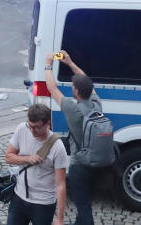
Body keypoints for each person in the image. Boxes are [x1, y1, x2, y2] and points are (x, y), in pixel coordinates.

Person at [43, 51, 103, 225]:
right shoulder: (97, 104)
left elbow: (52, 87)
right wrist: (70, 63)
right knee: (85, 203)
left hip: (80, 166)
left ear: (76, 92)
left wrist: (48, 64)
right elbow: (86, 80)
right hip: (97, 164)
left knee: (83, 207)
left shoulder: (72, 109)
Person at [3, 104, 68, 225]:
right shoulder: (22, 129)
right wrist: (27, 158)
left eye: (36, 127)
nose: (32, 130)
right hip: (19, 197)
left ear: (47, 123)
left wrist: (60, 218)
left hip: (43, 204)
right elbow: (8, 157)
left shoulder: (57, 147)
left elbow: (61, 184)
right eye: (30, 125)